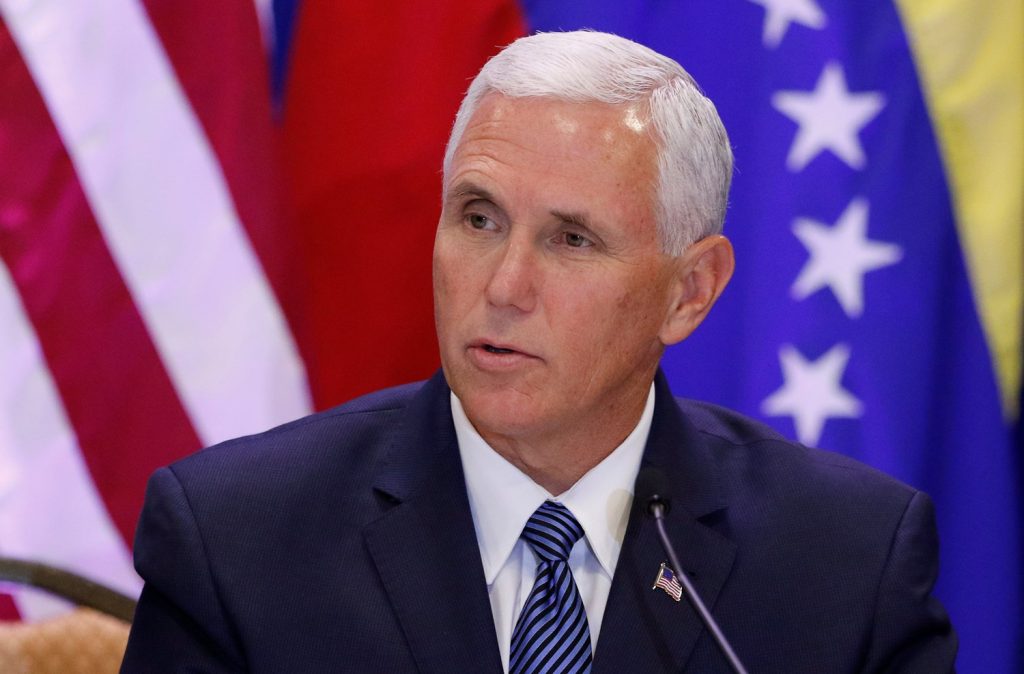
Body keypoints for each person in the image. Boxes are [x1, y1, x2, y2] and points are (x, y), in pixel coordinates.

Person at [120, 30, 956, 673]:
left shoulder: (847, 567)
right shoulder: (237, 543)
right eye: (478, 218)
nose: (505, 285)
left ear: (689, 292)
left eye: (571, 239)